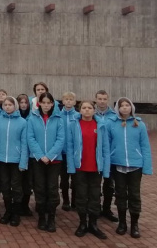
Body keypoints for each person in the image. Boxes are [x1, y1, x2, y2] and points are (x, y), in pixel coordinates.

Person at [107, 97, 152, 239]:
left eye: (127, 105)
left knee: (134, 195)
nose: (125, 108)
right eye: (122, 106)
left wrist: (147, 166)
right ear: (117, 108)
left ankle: (134, 224)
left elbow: (145, 146)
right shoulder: (112, 124)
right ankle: (122, 223)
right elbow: (107, 146)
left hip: (135, 165)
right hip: (118, 165)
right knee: (120, 194)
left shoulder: (139, 124)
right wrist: (107, 166)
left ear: (131, 107)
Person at [67, 101, 110, 240]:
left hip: (96, 168)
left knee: (95, 197)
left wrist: (106, 169)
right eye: (84, 108)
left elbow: (105, 149)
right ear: (80, 110)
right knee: (81, 196)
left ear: (94, 110)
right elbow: (70, 147)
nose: (86, 110)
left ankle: (93, 224)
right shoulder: (74, 125)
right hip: (80, 167)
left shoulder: (101, 125)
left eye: (89, 108)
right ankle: (82, 223)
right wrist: (71, 167)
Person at [27, 92, 65, 232]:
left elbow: (61, 139)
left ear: (52, 104)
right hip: (38, 160)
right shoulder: (32, 118)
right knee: (40, 188)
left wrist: (49, 156)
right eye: (44, 102)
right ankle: (42, 216)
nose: (46, 105)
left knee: (52, 188)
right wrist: (40, 155)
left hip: (54, 161)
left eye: (49, 102)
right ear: (39, 103)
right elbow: (30, 138)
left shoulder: (58, 119)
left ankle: (52, 217)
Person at [0, 97, 28, 227]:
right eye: (5, 105)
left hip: (16, 160)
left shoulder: (23, 122)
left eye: (10, 104)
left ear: (15, 106)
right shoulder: (0, 120)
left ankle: (16, 213)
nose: (7, 107)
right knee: (5, 186)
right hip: (2, 159)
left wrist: (23, 161)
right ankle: (8, 211)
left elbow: (24, 143)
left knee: (17, 187)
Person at [95, 90, 119, 222]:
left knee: (109, 184)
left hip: (111, 155)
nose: (102, 101)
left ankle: (107, 209)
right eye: (99, 99)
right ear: (96, 99)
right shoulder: (91, 114)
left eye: (104, 99)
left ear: (107, 100)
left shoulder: (114, 116)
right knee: (96, 184)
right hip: (97, 155)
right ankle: (96, 208)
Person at [59, 92, 80, 211]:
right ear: (63, 101)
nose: (68, 101)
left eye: (71, 99)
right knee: (64, 179)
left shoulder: (78, 116)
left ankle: (75, 201)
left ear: (74, 102)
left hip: (74, 153)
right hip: (62, 153)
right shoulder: (58, 115)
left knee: (76, 179)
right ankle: (66, 200)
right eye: (66, 99)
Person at [16, 94, 33, 216]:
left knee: (28, 182)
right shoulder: (15, 117)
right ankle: (16, 204)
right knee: (18, 181)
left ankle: (25, 205)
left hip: (30, 153)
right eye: (21, 102)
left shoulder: (32, 117)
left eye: (25, 102)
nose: (23, 105)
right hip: (18, 153)